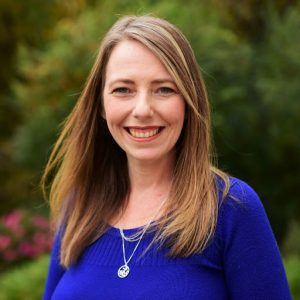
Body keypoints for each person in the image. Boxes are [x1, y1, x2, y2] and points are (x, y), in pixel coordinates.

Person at [41, 15, 291, 300]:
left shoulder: (231, 209)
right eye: (123, 90)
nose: (143, 109)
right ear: (100, 105)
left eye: (164, 89)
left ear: (188, 101)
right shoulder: (79, 207)